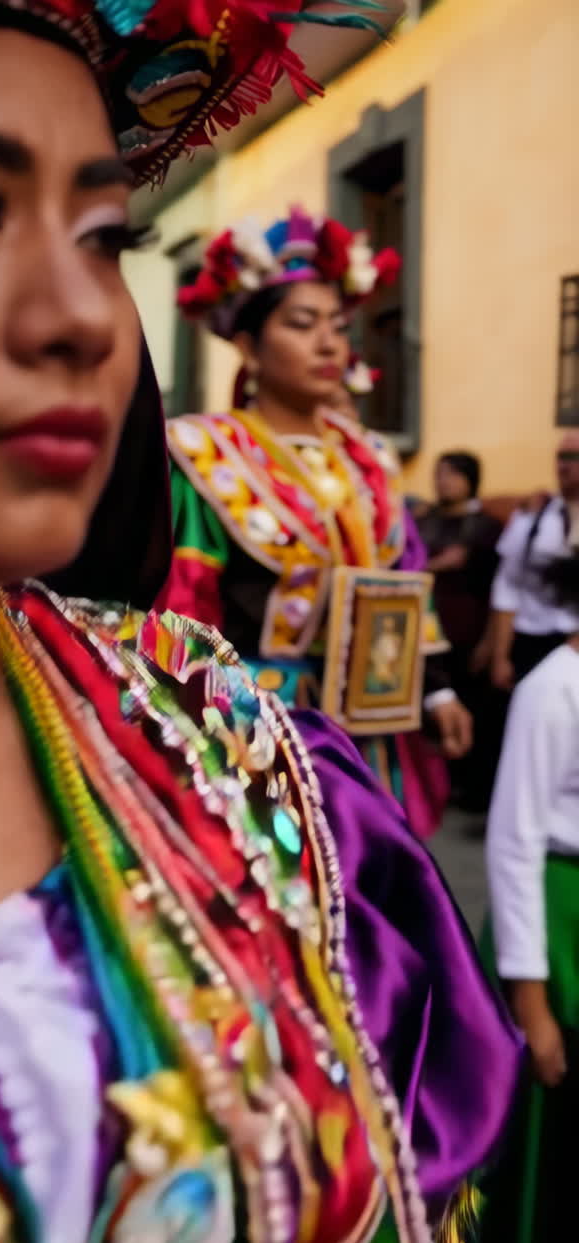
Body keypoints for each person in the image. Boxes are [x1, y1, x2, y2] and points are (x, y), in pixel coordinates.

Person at [0, 8, 520, 1243]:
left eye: (106, 237)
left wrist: (421, 679)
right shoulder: (214, 484)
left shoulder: (250, 759)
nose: (85, 318)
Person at [161, 208, 471, 838]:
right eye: (303, 325)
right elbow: (183, 610)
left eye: (337, 326)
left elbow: (407, 578)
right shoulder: (204, 455)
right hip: (261, 729)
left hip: (378, 736)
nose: (330, 345)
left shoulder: (369, 457)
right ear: (248, 343)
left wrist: (436, 690)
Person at [481, 552, 579, 1243]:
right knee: (550, 1134)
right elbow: (514, 841)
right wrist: (531, 994)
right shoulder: (553, 691)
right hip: (555, 919)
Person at [417, 452, 503, 810]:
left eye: (453, 475)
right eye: (440, 474)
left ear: (471, 479)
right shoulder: (424, 522)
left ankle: (471, 788)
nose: (444, 481)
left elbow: (498, 587)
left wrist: (491, 642)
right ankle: (437, 780)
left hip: (468, 631)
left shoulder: (486, 526)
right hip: (428, 632)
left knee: (472, 708)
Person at [490, 429, 579, 690]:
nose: (565, 465)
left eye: (574, 456)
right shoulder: (532, 517)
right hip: (533, 640)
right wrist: (500, 656)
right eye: (561, 456)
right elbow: (507, 586)